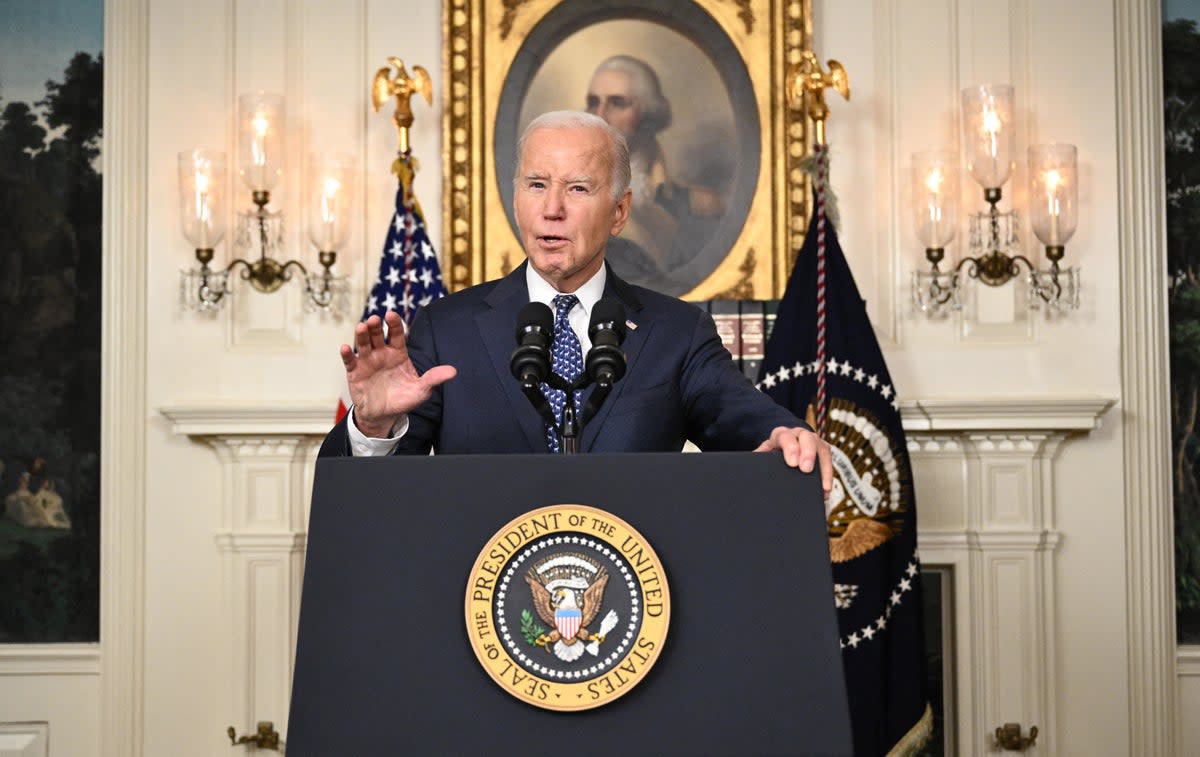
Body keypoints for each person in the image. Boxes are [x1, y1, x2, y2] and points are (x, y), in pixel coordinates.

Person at [320, 110, 831, 494]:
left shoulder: (677, 333)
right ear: (516, 196)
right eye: (536, 185)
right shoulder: (444, 328)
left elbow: (743, 417)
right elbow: (375, 498)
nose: (552, 209)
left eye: (578, 188)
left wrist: (787, 434)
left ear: (619, 212)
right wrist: (373, 427)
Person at [583, 55, 727, 294]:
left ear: (648, 113)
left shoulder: (700, 205)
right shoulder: (571, 202)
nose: (600, 114)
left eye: (618, 103)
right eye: (593, 102)